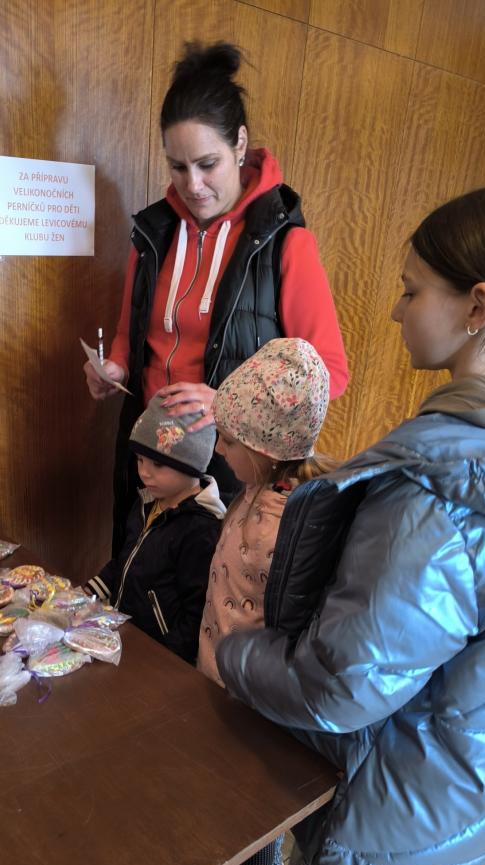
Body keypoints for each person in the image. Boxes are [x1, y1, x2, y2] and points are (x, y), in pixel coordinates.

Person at [215, 181, 485, 865]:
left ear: (477, 307)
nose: (395, 311)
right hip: (453, 782)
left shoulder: (438, 501)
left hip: (386, 803)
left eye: (411, 290)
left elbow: (339, 686)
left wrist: (236, 654)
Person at [83, 40, 348, 553]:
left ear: (240, 145)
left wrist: (229, 403)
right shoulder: (154, 233)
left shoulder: (285, 243)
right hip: (148, 453)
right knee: (136, 575)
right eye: (178, 167)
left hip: (228, 469)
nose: (193, 184)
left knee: (206, 593)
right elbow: (129, 333)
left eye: (208, 164)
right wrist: (113, 367)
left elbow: (329, 375)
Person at [169, 337, 334, 865]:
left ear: (263, 449)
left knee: (249, 804)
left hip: (248, 694)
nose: (219, 450)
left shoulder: (277, 525)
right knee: (255, 801)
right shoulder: (263, 492)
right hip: (236, 681)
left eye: (229, 441)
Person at [86, 398, 224, 663]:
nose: (144, 473)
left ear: (192, 465)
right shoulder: (147, 502)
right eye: (140, 460)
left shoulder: (201, 528)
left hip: (158, 653)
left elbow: (195, 615)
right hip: (124, 635)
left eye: (157, 464)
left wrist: (165, 661)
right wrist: (86, 594)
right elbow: (124, 561)